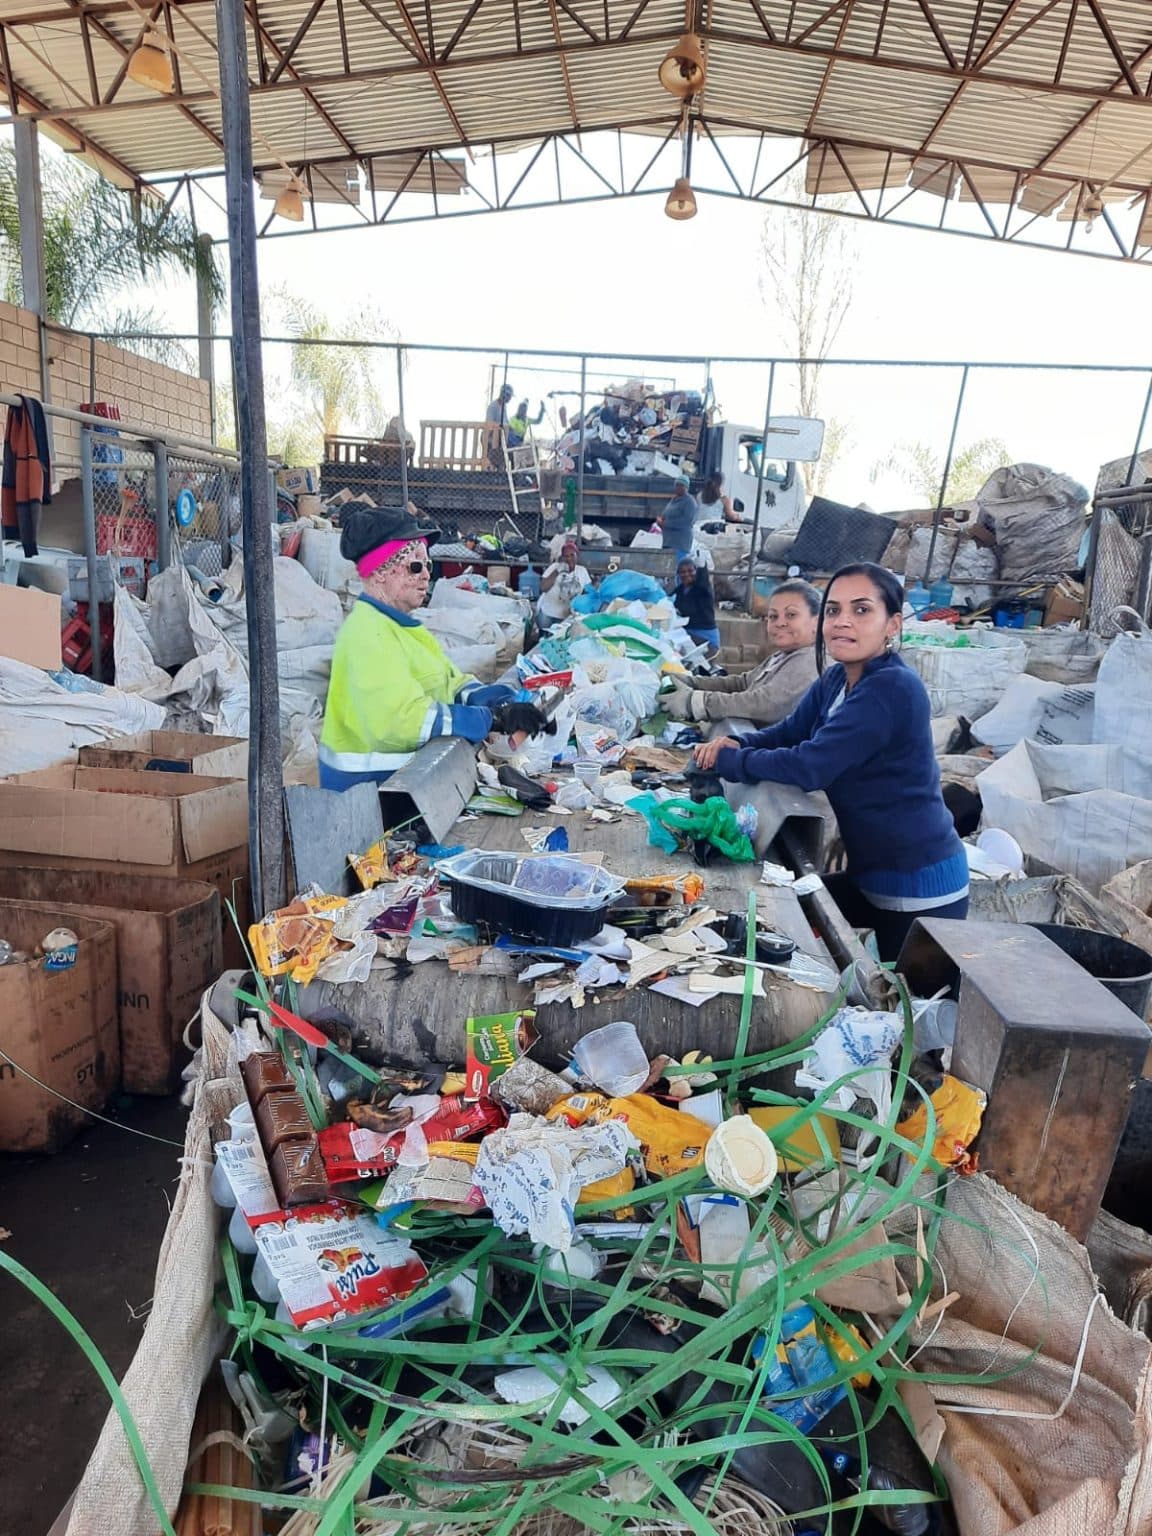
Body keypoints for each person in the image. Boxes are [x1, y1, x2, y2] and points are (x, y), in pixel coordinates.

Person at [694, 562, 968, 962]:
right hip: (872, 871)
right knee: (787, 916)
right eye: (834, 610)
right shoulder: (838, 679)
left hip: (918, 886)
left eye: (861, 611)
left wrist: (735, 763)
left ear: (892, 624)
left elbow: (811, 766)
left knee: (900, 1005)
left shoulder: (891, 689)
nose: (843, 622)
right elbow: (789, 732)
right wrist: (735, 741)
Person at [320, 506, 528, 791]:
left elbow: (443, 681)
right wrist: (485, 719)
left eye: (428, 565)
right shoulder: (367, 634)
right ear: (380, 571)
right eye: (414, 566)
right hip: (365, 799)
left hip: (401, 785)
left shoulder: (405, 627)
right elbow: (400, 722)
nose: (425, 575)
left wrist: (483, 696)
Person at [665, 579, 820, 726]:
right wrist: (691, 682)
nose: (779, 623)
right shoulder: (784, 655)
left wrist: (695, 701)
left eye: (791, 615)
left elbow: (763, 704)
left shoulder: (810, 661)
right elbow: (743, 683)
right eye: (773, 616)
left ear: (817, 621)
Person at [538, 539, 591, 630]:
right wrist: (558, 571)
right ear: (562, 557)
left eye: (572, 555)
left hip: (567, 618)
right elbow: (543, 587)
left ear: (577, 556)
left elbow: (587, 592)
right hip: (548, 615)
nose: (569, 558)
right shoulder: (554, 567)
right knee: (543, 638)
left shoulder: (582, 571)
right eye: (566, 556)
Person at [672, 559, 719, 653]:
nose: (686, 574)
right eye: (682, 572)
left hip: (705, 639)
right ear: (678, 574)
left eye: (690, 571)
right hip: (689, 635)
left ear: (696, 571)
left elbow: (703, 576)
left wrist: (701, 566)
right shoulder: (680, 590)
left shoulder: (703, 589)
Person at [659, 475, 698, 559]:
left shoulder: (690, 502)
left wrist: (665, 524)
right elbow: (666, 513)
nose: (678, 487)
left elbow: (686, 521)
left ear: (687, 487)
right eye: (677, 485)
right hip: (668, 542)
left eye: (682, 485)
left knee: (677, 567)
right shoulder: (674, 500)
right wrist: (661, 519)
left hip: (680, 543)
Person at [485, 384, 513, 468]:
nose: (510, 398)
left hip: (503, 436)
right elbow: (489, 424)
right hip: (492, 437)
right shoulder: (493, 406)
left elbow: (506, 422)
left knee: (516, 444)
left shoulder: (504, 407)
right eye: (509, 396)